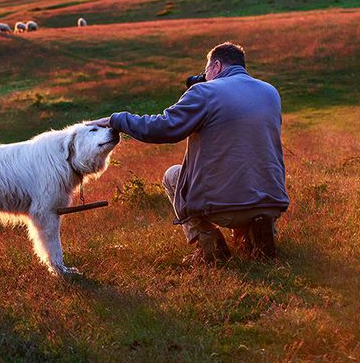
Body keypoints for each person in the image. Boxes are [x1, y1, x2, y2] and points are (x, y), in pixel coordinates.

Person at [88, 42, 289, 264]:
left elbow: (164, 127)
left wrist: (116, 120)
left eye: (206, 71)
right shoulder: (270, 92)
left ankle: (208, 244)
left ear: (217, 66)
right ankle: (256, 231)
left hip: (225, 207)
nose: (205, 76)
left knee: (172, 175)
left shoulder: (205, 91)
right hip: (271, 202)